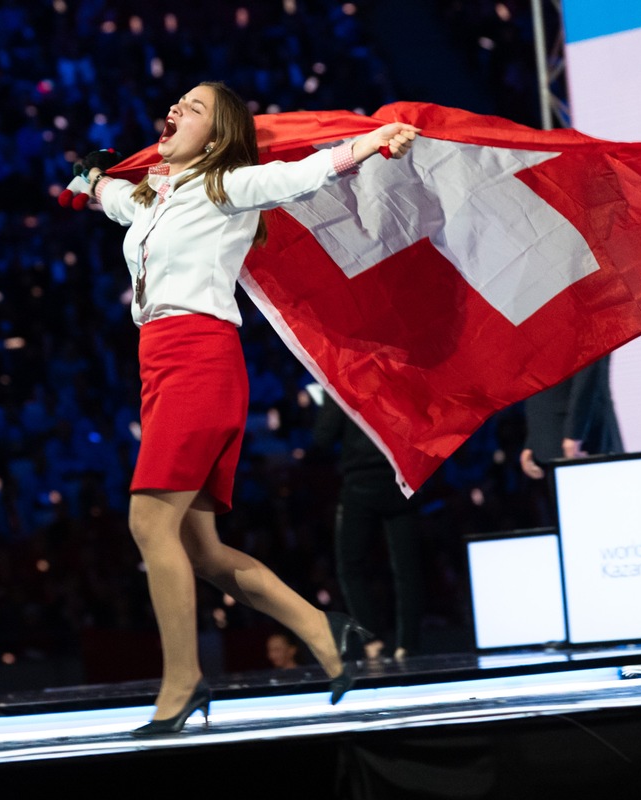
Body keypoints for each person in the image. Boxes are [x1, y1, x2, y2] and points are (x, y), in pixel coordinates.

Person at [83, 80, 419, 735]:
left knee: (150, 525)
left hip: (200, 362)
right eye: (176, 103)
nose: (176, 109)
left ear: (217, 135)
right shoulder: (154, 197)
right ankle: (326, 632)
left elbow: (300, 177)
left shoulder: (227, 186)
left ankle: (183, 683)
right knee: (201, 551)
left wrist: (371, 143)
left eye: (195, 107)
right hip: (159, 367)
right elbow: (112, 198)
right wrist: (87, 181)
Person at [311, 396, 424, 663]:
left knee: (350, 567)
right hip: (402, 478)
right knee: (408, 569)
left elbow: (323, 436)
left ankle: (371, 641)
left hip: (360, 482)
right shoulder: (397, 372)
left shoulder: (343, 377)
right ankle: (408, 645)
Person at [519, 355, 623, 523]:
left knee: (602, 521)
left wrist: (575, 434)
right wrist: (532, 440)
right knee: (571, 527)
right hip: (552, 439)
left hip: (583, 441)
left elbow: (590, 371)